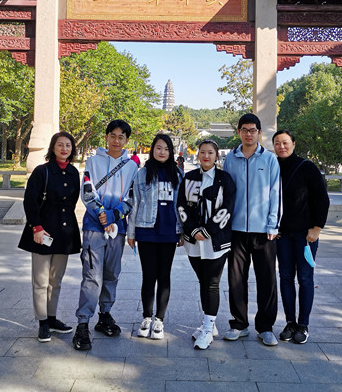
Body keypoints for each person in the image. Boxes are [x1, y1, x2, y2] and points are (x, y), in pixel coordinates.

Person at [73, 119, 138, 351]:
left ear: (126, 140)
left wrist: (114, 215)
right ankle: (83, 324)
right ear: (106, 137)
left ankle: (105, 315)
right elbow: (87, 190)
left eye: (121, 137)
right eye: (113, 136)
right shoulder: (93, 161)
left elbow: (132, 196)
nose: (116, 141)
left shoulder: (132, 166)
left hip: (117, 229)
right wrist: (102, 213)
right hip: (94, 227)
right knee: (92, 276)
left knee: (112, 274)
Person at [222, 113, 281, 346]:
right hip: (236, 230)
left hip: (263, 230)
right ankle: (239, 324)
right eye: (244, 130)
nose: (249, 134)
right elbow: (225, 192)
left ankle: (265, 327)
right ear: (239, 132)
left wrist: (273, 223)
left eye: (253, 130)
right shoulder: (231, 158)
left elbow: (276, 193)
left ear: (259, 133)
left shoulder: (269, 159)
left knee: (267, 279)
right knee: (236, 279)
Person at [18, 131, 81, 343]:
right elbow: (30, 201)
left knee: (56, 280)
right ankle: (42, 322)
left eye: (68, 145)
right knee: (41, 280)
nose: (64, 149)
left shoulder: (73, 172)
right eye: (60, 144)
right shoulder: (41, 171)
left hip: (64, 233)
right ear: (53, 147)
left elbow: (71, 202)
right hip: (42, 232)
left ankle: (52, 318)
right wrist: (36, 227)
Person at [178, 139, 236, 350]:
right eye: (202, 152)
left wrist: (208, 230)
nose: (206, 156)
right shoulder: (189, 177)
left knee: (211, 282)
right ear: (198, 154)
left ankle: (208, 328)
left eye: (210, 152)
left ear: (216, 156)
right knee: (203, 281)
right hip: (194, 240)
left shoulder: (225, 179)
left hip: (216, 240)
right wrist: (193, 230)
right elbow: (181, 205)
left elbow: (227, 208)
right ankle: (208, 323)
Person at [273, 130, 329, 344]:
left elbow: (322, 199)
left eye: (285, 142)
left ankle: (303, 325)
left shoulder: (307, 167)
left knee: (305, 278)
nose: (281, 146)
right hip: (282, 235)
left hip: (306, 235)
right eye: (277, 143)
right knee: (285, 277)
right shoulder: (272, 166)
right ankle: (290, 323)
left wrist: (317, 228)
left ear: (294, 144)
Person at [127, 134, 183, 340]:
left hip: (169, 232)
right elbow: (134, 203)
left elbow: (182, 205)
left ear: (171, 152)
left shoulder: (178, 174)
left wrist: (182, 231)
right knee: (149, 276)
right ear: (152, 150)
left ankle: (159, 319)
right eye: (158, 148)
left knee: (164, 276)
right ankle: (146, 317)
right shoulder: (142, 173)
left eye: (166, 149)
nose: (162, 152)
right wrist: (131, 232)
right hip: (146, 230)